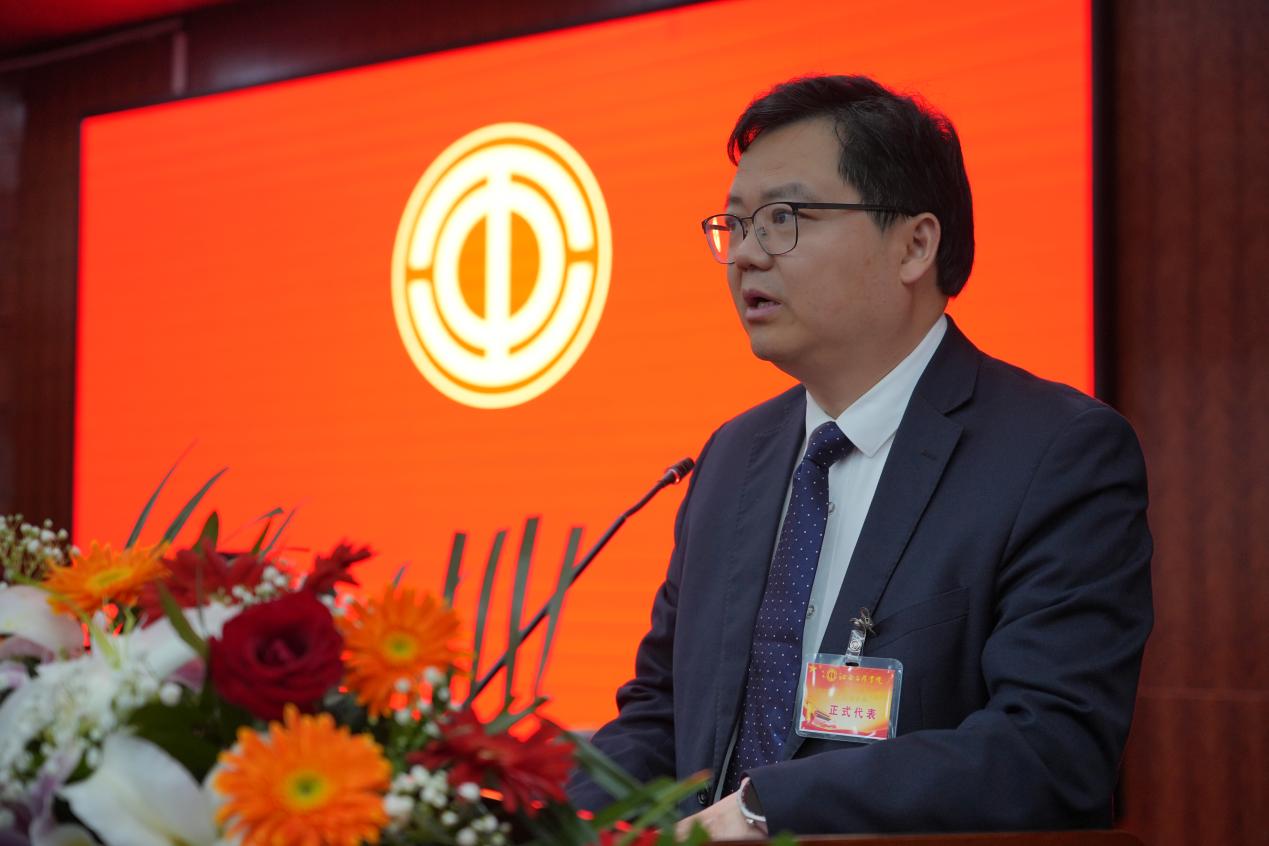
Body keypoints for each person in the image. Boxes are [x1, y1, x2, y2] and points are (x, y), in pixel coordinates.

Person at [566, 75, 1153, 838]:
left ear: (914, 244)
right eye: (734, 225)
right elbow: (661, 715)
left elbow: (1048, 752)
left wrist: (765, 810)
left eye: (782, 218)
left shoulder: (1054, 453)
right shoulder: (732, 456)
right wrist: (545, 814)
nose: (744, 254)